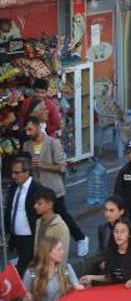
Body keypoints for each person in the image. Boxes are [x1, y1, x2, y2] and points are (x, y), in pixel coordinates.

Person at [23, 117, 88, 257]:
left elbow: (62, 167)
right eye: (26, 130)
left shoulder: (53, 143)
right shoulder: (27, 146)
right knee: (37, 220)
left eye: (30, 129)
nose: (28, 133)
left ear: (38, 128)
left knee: (63, 216)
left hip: (54, 190)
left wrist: (41, 165)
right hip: (37, 191)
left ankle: (81, 238)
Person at [80, 221, 131, 289]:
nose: (119, 235)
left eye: (123, 232)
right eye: (116, 231)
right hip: (118, 291)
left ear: (129, 234)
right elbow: (111, 277)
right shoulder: (111, 252)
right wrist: (91, 277)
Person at [20, 237, 81, 301]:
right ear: (48, 253)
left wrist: (79, 286)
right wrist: (27, 300)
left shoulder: (66, 268)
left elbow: (78, 287)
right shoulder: (31, 273)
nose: (63, 252)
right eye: (59, 249)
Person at [6, 157, 40, 276]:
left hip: (30, 237)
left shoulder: (36, 189)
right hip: (15, 236)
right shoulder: (13, 187)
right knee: (22, 268)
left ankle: (21, 292)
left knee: (21, 269)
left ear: (27, 172)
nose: (13, 176)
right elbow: (9, 210)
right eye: (12, 172)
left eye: (17, 172)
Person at [32, 186, 70, 267]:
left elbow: (63, 256)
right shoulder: (38, 222)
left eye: (39, 203)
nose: (35, 206)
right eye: (35, 203)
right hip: (39, 268)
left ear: (50, 204)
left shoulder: (61, 227)